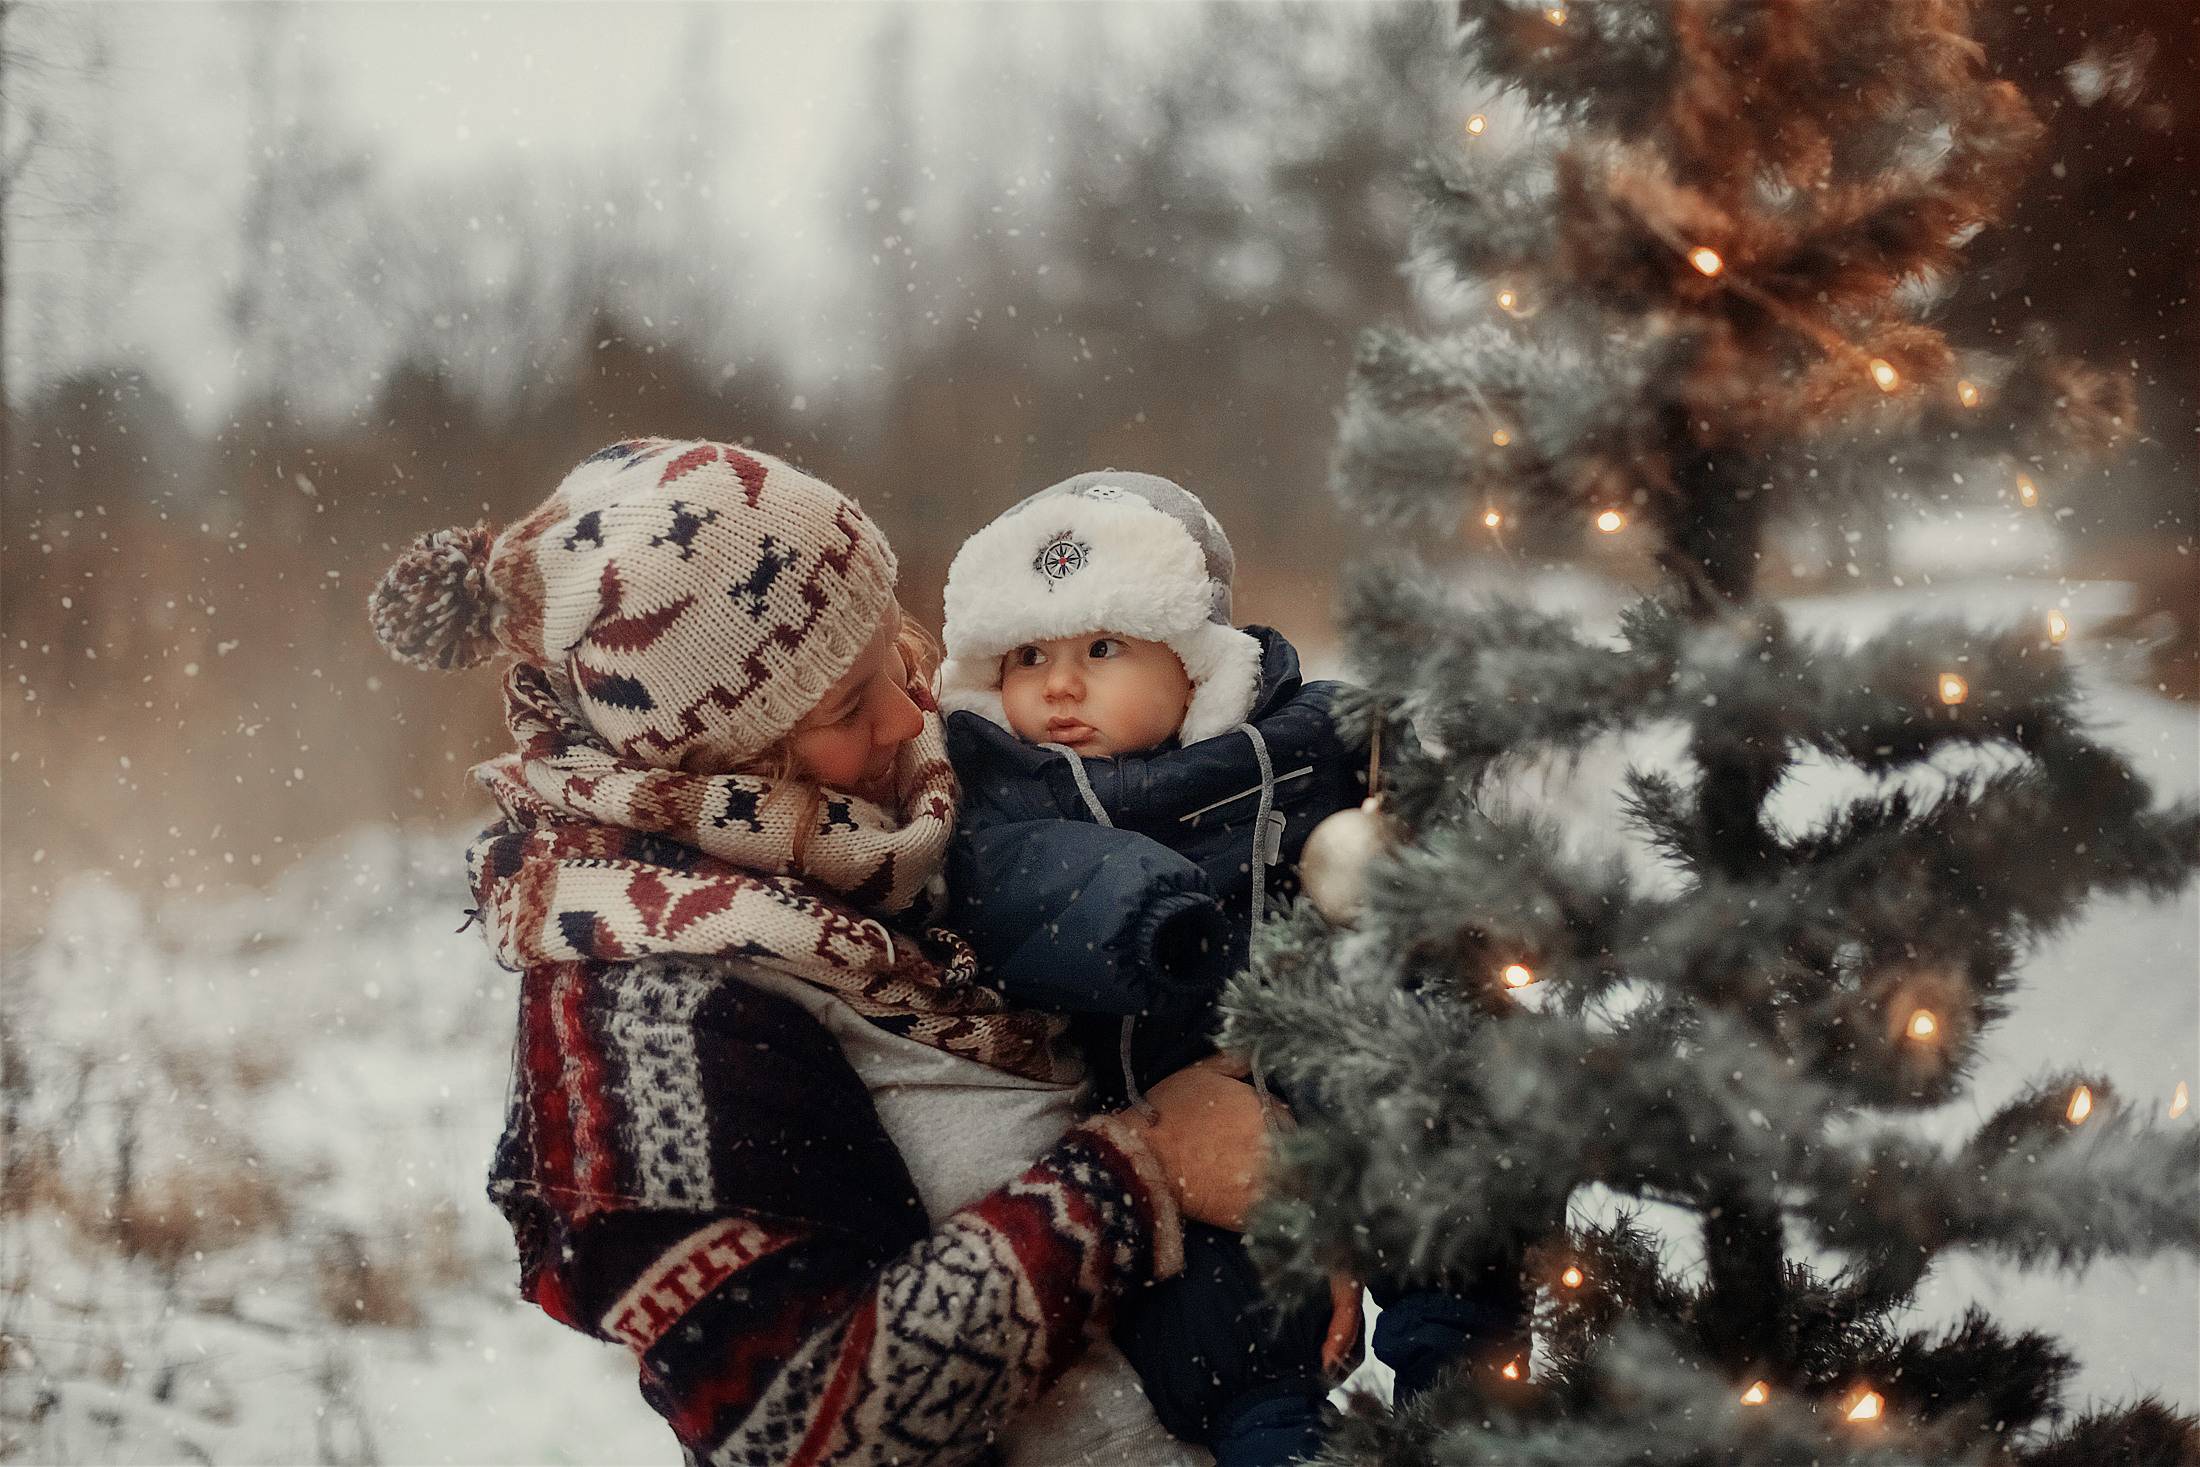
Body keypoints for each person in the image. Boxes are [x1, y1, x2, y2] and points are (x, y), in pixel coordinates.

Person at [367, 437, 1275, 1467]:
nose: (907, 710)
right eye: (844, 709)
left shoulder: (925, 803)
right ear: (722, 764)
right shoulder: (638, 1014)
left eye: (886, 642)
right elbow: (798, 1424)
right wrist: (1143, 1175)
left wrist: (1276, 1233)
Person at [935, 472, 1529, 1466]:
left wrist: (1428, 827)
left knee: (1446, 1126)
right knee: (1226, 1328)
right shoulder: (1011, 804)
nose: (1059, 685)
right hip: (1189, 1097)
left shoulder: (1309, 744)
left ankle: (1462, 1380)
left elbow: (1418, 834)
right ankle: (1277, 1438)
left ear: (1196, 659)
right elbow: (1026, 897)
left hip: (1341, 1034)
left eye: (1103, 647)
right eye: (1027, 656)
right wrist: (1153, 918)